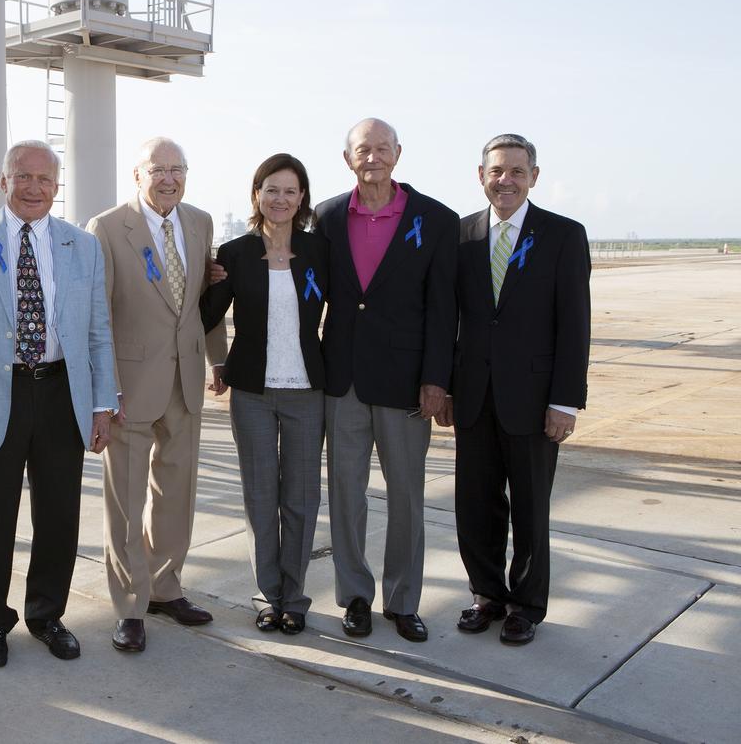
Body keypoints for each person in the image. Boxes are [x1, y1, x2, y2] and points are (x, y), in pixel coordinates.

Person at [0, 139, 117, 668]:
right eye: (24, 176)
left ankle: (47, 615)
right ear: (4, 181)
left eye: (45, 180)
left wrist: (102, 404)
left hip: (62, 392)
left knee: (59, 514)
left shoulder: (83, 246)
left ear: (57, 187)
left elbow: (98, 332)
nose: (34, 188)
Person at [439, 133, 590, 646]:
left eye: (517, 172)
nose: (506, 181)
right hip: (473, 397)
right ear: (481, 176)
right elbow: (448, 318)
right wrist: (446, 387)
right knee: (475, 505)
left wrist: (565, 401)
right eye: (497, 171)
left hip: (534, 399)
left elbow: (575, 325)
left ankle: (526, 605)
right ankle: (486, 594)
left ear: (534, 177)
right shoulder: (460, 235)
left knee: (530, 508)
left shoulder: (563, 235)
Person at [314, 117, 458, 644]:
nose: (372, 157)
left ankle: (403, 601)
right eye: (362, 149)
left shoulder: (435, 219)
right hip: (344, 380)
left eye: (381, 148)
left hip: (406, 384)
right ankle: (355, 596)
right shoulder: (327, 216)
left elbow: (443, 309)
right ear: (347, 158)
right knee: (345, 495)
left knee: (407, 498)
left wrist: (437, 379)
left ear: (398, 153)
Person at [87, 137, 227, 653]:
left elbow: (204, 302)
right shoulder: (107, 227)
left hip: (185, 379)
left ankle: (166, 587)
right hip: (129, 385)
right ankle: (130, 605)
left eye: (177, 169)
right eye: (158, 169)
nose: (168, 178)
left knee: (176, 491)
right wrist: (103, 390)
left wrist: (217, 359)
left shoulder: (200, 222)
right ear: (137, 175)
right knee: (126, 499)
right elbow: (98, 315)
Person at [201, 153, 329, 635]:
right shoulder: (235, 253)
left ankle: (294, 598)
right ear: (257, 195)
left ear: (302, 198)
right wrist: (202, 279)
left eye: (290, 191)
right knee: (260, 496)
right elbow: (206, 317)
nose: (280, 199)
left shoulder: (320, 250)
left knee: (301, 498)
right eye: (271, 189)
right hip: (252, 392)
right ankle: (267, 597)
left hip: (306, 391)